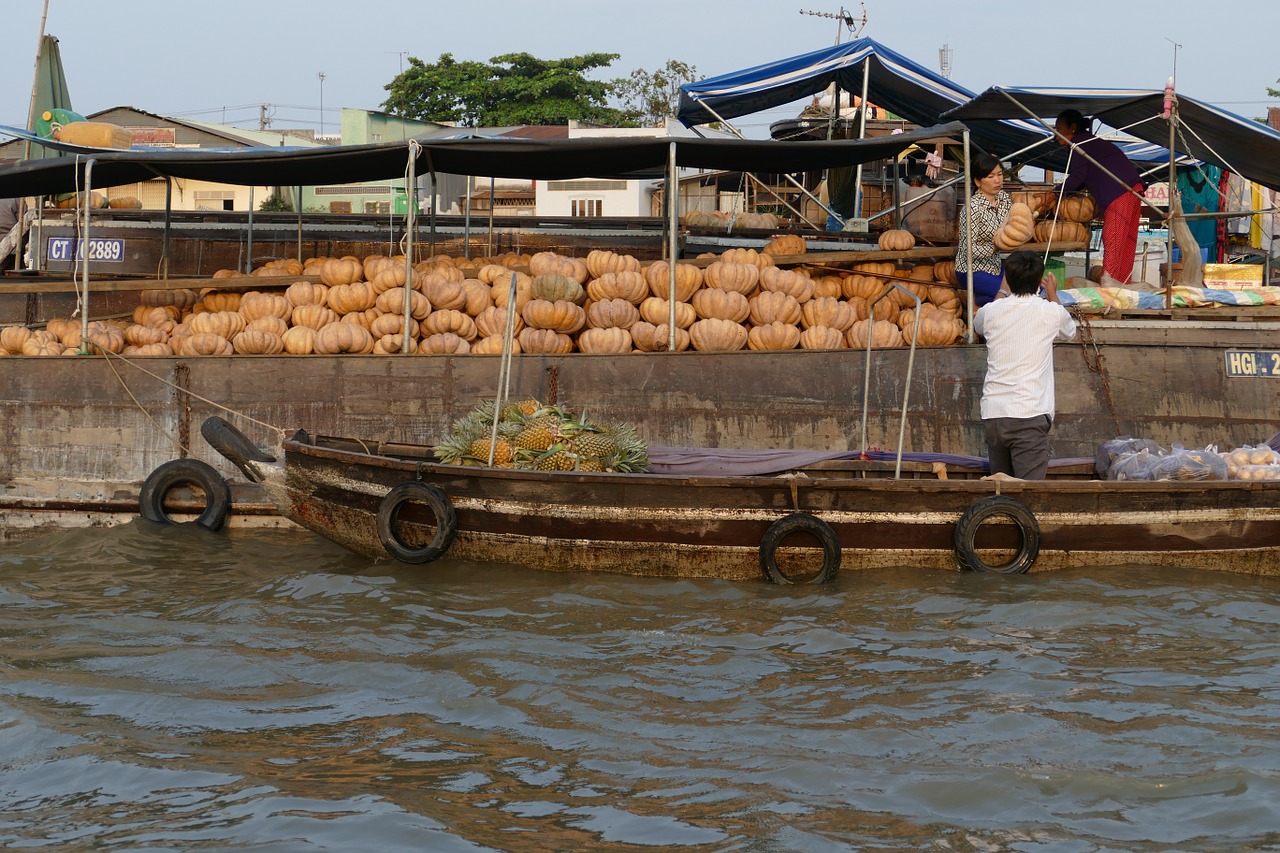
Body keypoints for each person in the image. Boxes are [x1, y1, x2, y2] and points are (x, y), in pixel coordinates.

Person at [972, 250, 1077, 480]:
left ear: (1008, 278)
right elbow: (1069, 332)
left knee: (1001, 494)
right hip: (1028, 416)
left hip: (994, 416)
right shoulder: (1050, 311)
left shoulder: (990, 311)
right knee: (1028, 496)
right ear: (1039, 281)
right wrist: (1052, 294)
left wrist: (1002, 289)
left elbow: (978, 325)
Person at [1051, 109, 1145, 286]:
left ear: (1072, 128)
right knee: (1125, 243)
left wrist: (1055, 193)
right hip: (1132, 189)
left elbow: (1078, 176)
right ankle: (1121, 285)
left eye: (1058, 128)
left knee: (1113, 238)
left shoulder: (1079, 142)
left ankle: (1110, 287)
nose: (1055, 133)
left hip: (1120, 191)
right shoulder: (1089, 142)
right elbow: (1082, 178)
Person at [956, 154, 1013, 307]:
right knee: (1014, 294)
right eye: (991, 176)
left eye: (1000, 174)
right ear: (977, 181)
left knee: (1032, 289)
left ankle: (982, 300)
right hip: (971, 270)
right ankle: (982, 302)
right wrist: (995, 247)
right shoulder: (972, 208)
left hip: (995, 267)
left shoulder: (1004, 199)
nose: (997, 180)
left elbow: (1011, 226)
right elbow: (968, 250)